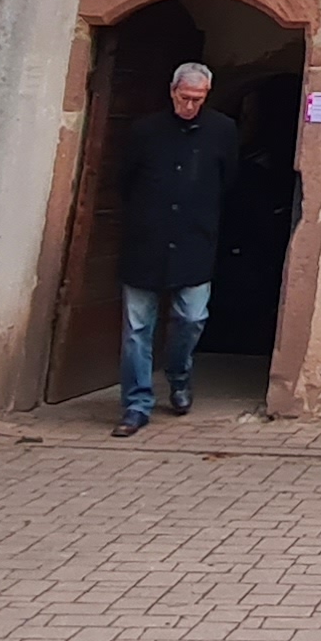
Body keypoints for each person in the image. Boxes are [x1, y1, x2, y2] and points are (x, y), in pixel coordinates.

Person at [113, 61, 238, 432]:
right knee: (137, 328)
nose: (190, 105)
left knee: (193, 317)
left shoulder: (222, 130)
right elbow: (125, 180)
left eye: (198, 99)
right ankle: (136, 404)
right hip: (145, 242)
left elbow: (228, 181)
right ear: (172, 92)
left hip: (195, 241)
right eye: (185, 97)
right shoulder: (145, 131)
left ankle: (179, 375)